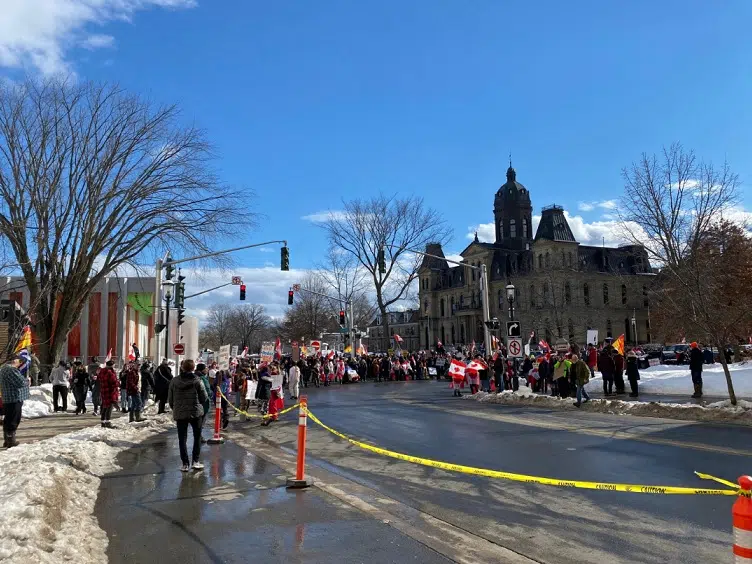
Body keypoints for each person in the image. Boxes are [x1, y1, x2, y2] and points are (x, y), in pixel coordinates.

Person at [168, 359, 209, 472]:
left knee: (182, 438)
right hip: (195, 412)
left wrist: (176, 408)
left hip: (180, 412)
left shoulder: (174, 381)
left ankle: (185, 463)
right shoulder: (197, 381)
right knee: (197, 437)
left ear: (182, 368)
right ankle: (195, 461)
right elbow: (204, 397)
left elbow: (170, 399)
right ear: (193, 368)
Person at [0, 355, 30, 447]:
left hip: (8, 397)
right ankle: (11, 441)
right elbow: (20, 382)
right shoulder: (11, 369)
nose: (20, 363)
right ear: (14, 360)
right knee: (13, 419)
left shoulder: (4, 368)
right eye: (19, 361)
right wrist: (27, 381)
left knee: (9, 419)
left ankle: (7, 440)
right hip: (13, 398)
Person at [98, 360, 120, 428]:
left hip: (103, 391)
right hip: (110, 392)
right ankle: (108, 422)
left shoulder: (101, 372)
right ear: (112, 365)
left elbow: (99, 379)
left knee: (104, 406)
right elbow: (114, 383)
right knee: (109, 407)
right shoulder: (110, 373)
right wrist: (118, 383)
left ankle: (103, 422)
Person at [195, 363, 212, 440]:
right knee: (201, 420)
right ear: (202, 369)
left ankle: (198, 436)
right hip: (202, 402)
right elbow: (207, 390)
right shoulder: (202, 378)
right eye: (205, 368)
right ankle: (198, 437)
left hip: (195, 402)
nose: (207, 369)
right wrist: (211, 394)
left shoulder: (195, 376)